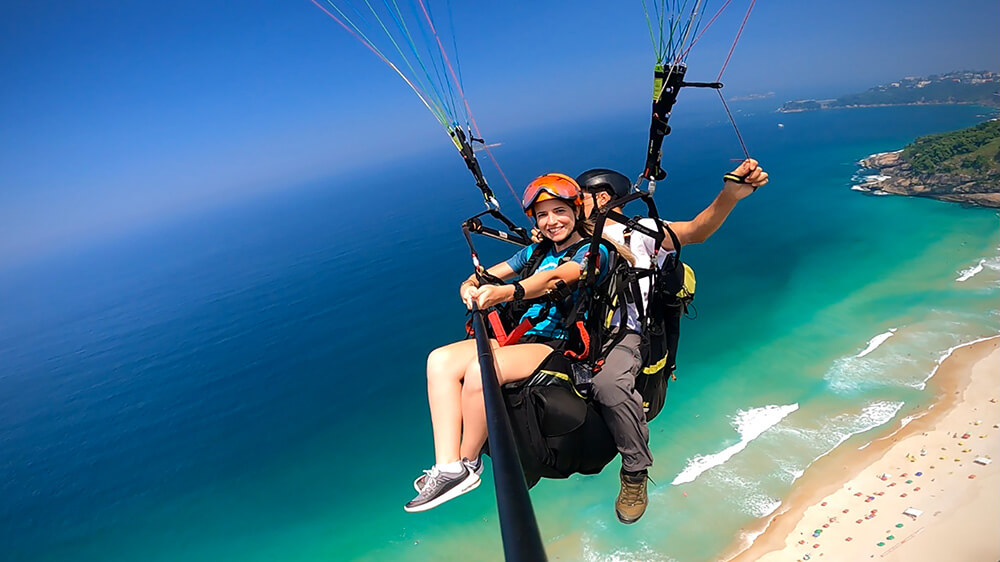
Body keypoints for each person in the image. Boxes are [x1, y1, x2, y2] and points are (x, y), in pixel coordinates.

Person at [574, 158, 769, 524]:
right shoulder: (570, 238)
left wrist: (730, 195)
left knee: (609, 383)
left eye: (577, 197)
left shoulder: (640, 232)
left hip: (623, 334)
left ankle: (634, 471)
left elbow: (696, 230)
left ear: (602, 198)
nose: (570, 205)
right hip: (577, 335)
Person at [404, 172, 610, 513]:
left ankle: (468, 463)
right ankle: (447, 465)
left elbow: (556, 278)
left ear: (576, 210)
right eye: (543, 215)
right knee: (439, 361)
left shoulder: (593, 251)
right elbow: (485, 275)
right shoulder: (534, 252)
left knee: (480, 369)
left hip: (560, 345)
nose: (551, 221)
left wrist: (509, 291)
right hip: (523, 339)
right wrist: (470, 288)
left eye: (559, 211)